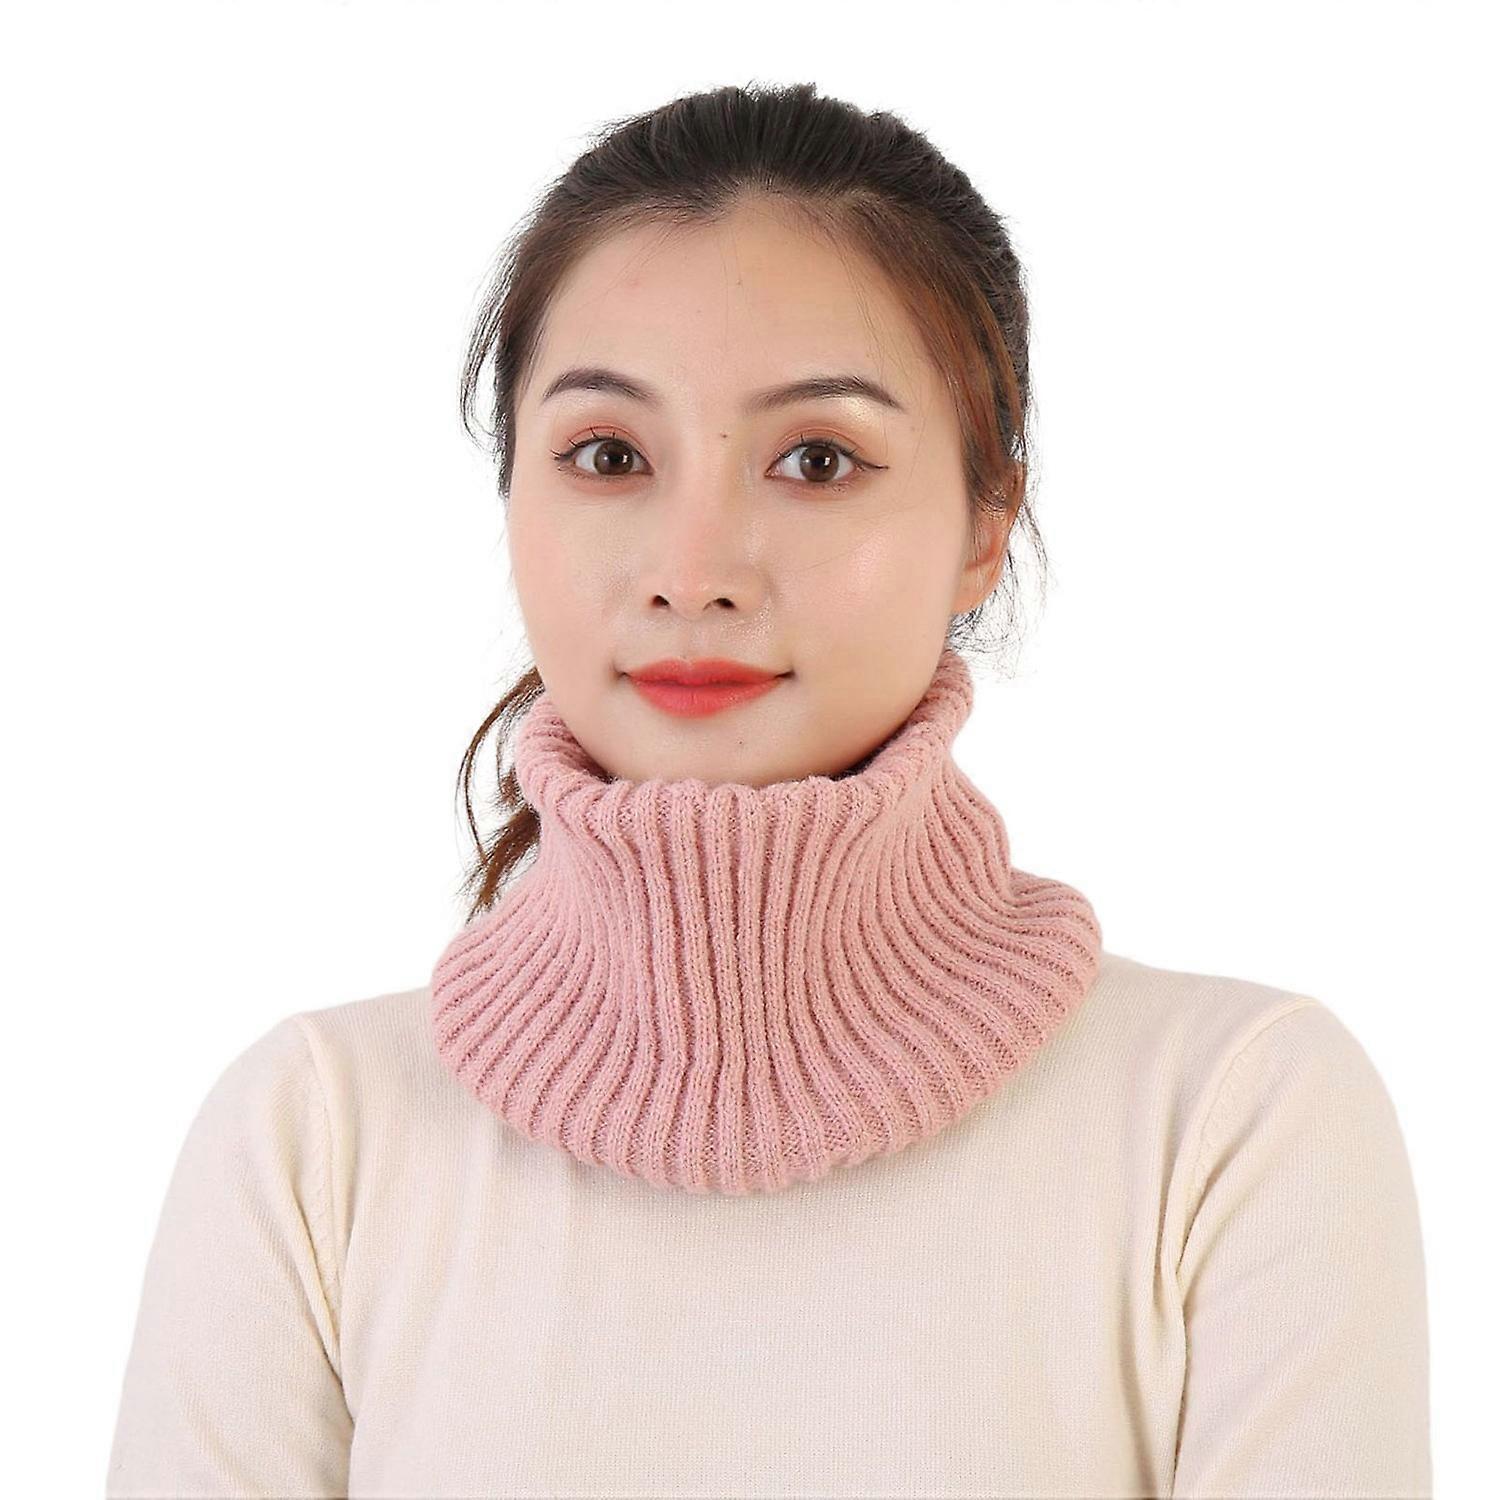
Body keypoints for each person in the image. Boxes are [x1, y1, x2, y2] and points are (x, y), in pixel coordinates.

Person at [105, 81, 1431, 1498]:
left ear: (986, 524)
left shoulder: (1233, 1118)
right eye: (609, 456)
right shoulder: (312, 1143)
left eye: (817, 459)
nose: (695, 569)